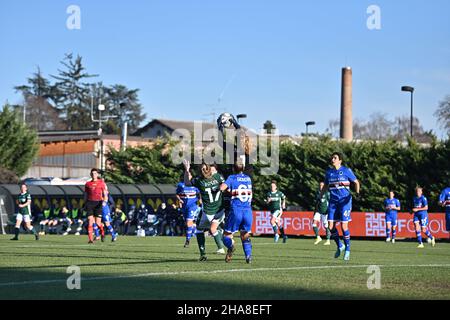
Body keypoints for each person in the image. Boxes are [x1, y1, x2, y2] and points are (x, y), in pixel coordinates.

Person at [320, 152, 360, 261]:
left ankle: (347, 249)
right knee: (330, 226)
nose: (332, 159)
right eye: (332, 157)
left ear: (340, 160)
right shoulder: (329, 173)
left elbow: (356, 182)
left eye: (335, 158)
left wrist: (357, 193)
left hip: (344, 202)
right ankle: (340, 245)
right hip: (333, 202)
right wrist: (321, 195)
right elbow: (325, 186)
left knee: (344, 226)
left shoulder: (346, 171)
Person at [183, 160, 226, 261]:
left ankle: (203, 254)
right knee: (215, 228)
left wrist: (187, 169)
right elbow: (225, 186)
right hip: (219, 210)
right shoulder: (218, 177)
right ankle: (224, 243)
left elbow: (187, 183)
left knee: (199, 230)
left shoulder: (200, 181)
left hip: (208, 212)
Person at [220, 160, 253, 264]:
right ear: (243, 169)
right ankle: (248, 256)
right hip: (248, 211)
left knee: (226, 235)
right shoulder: (248, 178)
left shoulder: (232, 177)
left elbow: (222, 188)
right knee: (245, 235)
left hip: (236, 210)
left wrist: (222, 184)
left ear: (233, 169)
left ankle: (231, 246)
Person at [84, 168, 108, 244]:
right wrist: (85, 203)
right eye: (92, 173)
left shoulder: (101, 183)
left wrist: (105, 201)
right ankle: (90, 239)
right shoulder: (87, 184)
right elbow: (85, 194)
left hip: (98, 203)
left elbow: (105, 193)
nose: (93, 175)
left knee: (98, 223)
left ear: (97, 174)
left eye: (95, 173)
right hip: (90, 203)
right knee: (90, 221)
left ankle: (102, 232)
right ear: (90, 174)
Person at [176, 181, 200, 247]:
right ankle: (192, 232)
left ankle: (188, 240)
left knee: (188, 222)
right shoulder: (180, 185)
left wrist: (200, 199)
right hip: (184, 206)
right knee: (187, 223)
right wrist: (179, 199)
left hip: (192, 206)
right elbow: (177, 194)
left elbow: (200, 192)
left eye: (189, 174)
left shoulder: (195, 184)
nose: (188, 175)